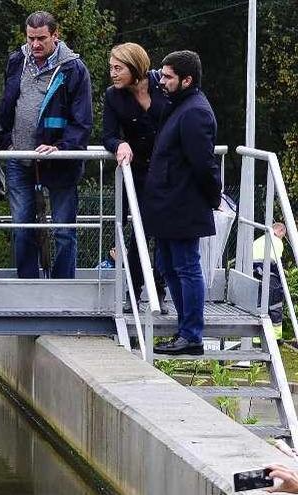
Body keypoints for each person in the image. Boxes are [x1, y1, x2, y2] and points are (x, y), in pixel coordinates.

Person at [0, 11, 93, 279]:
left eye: (41, 39)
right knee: (21, 226)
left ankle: (62, 288)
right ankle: (28, 286)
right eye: (30, 39)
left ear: (55, 36)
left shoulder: (74, 69)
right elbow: (8, 103)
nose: (35, 45)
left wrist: (61, 148)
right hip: (19, 157)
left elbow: (82, 120)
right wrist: (5, 140)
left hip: (60, 160)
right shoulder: (17, 60)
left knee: (63, 229)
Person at [146, 51, 222, 356]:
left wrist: (213, 196)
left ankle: (191, 335)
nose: (161, 80)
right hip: (169, 203)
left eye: (167, 77)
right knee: (168, 265)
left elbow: (203, 163)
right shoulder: (181, 103)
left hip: (182, 203)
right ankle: (185, 330)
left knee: (186, 266)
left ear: (186, 80)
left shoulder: (194, 112)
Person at [102, 42, 169, 313]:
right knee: (138, 233)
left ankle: (161, 291)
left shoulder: (162, 85)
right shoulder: (112, 96)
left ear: (135, 67)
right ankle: (134, 293)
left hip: (167, 172)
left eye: (118, 68)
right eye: (111, 68)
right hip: (139, 171)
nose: (113, 74)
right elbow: (107, 134)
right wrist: (119, 143)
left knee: (165, 233)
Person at [252, 222, 287, 339]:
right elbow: (276, 262)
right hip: (268, 273)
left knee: (259, 304)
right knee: (275, 304)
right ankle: (276, 337)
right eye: (283, 235)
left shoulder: (260, 240)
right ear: (280, 231)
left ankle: (256, 337)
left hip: (253, 273)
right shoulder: (277, 241)